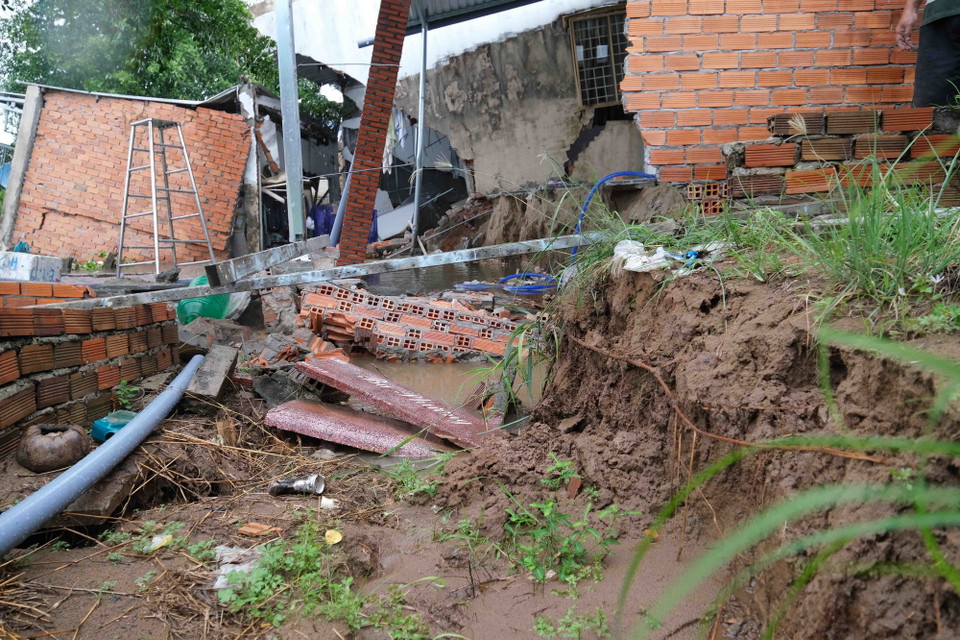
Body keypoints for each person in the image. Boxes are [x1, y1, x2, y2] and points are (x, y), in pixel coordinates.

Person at [896, 0, 960, 106]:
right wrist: (911, 7)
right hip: (942, 14)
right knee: (931, 109)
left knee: (931, 106)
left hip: (942, 15)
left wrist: (912, 7)